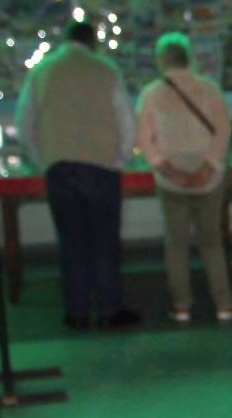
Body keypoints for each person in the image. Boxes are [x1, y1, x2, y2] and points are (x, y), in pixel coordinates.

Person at [16, 18, 140, 329]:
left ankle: (77, 311)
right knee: (105, 240)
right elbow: (126, 119)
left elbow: (24, 122)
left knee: (71, 241)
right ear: (93, 42)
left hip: (58, 166)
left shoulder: (41, 71)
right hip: (100, 165)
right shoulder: (105, 69)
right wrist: (120, 157)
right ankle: (110, 308)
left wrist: (42, 158)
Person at [136, 33, 232, 323]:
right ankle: (224, 303)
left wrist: (172, 172)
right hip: (209, 179)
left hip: (171, 180)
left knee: (176, 244)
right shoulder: (209, 89)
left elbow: (145, 140)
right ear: (189, 58)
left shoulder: (151, 93)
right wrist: (207, 168)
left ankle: (181, 305)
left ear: (162, 61)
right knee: (211, 243)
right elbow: (223, 131)